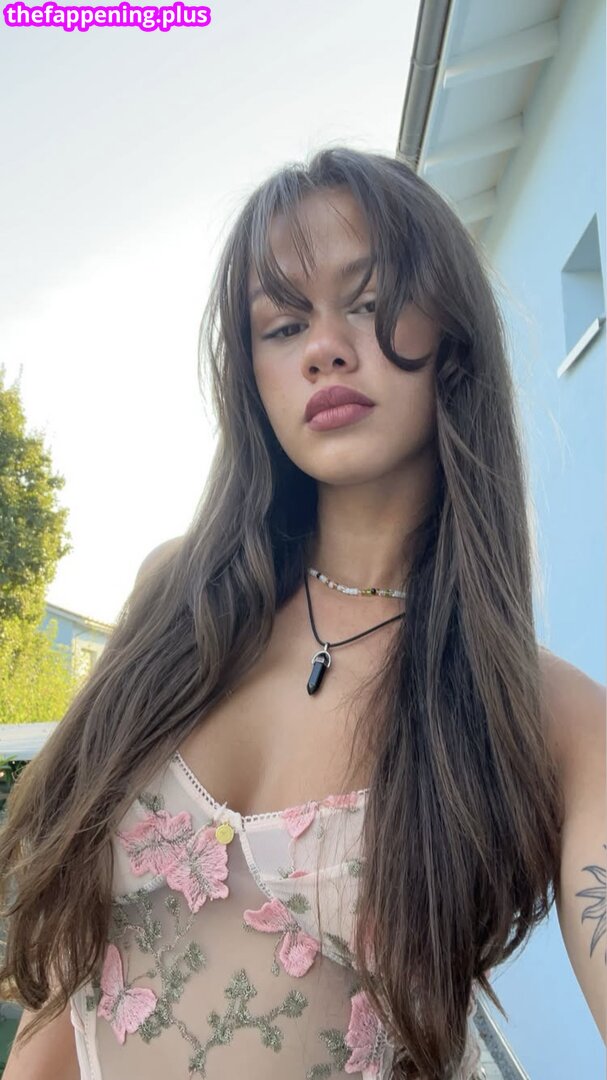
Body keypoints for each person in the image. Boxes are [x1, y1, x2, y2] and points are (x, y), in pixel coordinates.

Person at [0, 147, 604, 1080]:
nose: (324, 346)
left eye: (367, 302)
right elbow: (68, 970)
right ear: (253, 376)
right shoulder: (180, 598)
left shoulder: (546, 713)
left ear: (452, 334)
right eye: (282, 325)